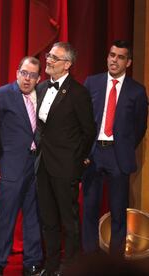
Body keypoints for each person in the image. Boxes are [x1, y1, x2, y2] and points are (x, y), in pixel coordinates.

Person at [82, 40, 148, 257]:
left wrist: (124, 148)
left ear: (127, 62)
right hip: (93, 154)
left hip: (118, 157)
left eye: (120, 57)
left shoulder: (137, 91)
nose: (114, 60)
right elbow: (82, 119)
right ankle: (90, 261)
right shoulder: (92, 83)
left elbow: (139, 128)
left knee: (118, 213)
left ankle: (114, 265)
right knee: (89, 209)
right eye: (112, 55)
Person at [35, 42, 96, 275]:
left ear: (67, 64)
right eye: (49, 55)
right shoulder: (40, 88)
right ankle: (50, 268)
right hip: (43, 165)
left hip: (66, 167)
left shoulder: (79, 93)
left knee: (68, 223)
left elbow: (88, 131)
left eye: (54, 58)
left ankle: (69, 268)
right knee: (48, 221)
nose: (48, 60)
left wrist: (77, 161)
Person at [0, 57, 43, 276]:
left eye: (32, 75)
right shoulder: (3, 95)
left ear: (39, 78)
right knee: (6, 216)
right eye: (24, 73)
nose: (27, 78)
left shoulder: (43, 96)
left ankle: (33, 261)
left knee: (34, 216)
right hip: (11, 165)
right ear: (17, 73)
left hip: (37, 165)